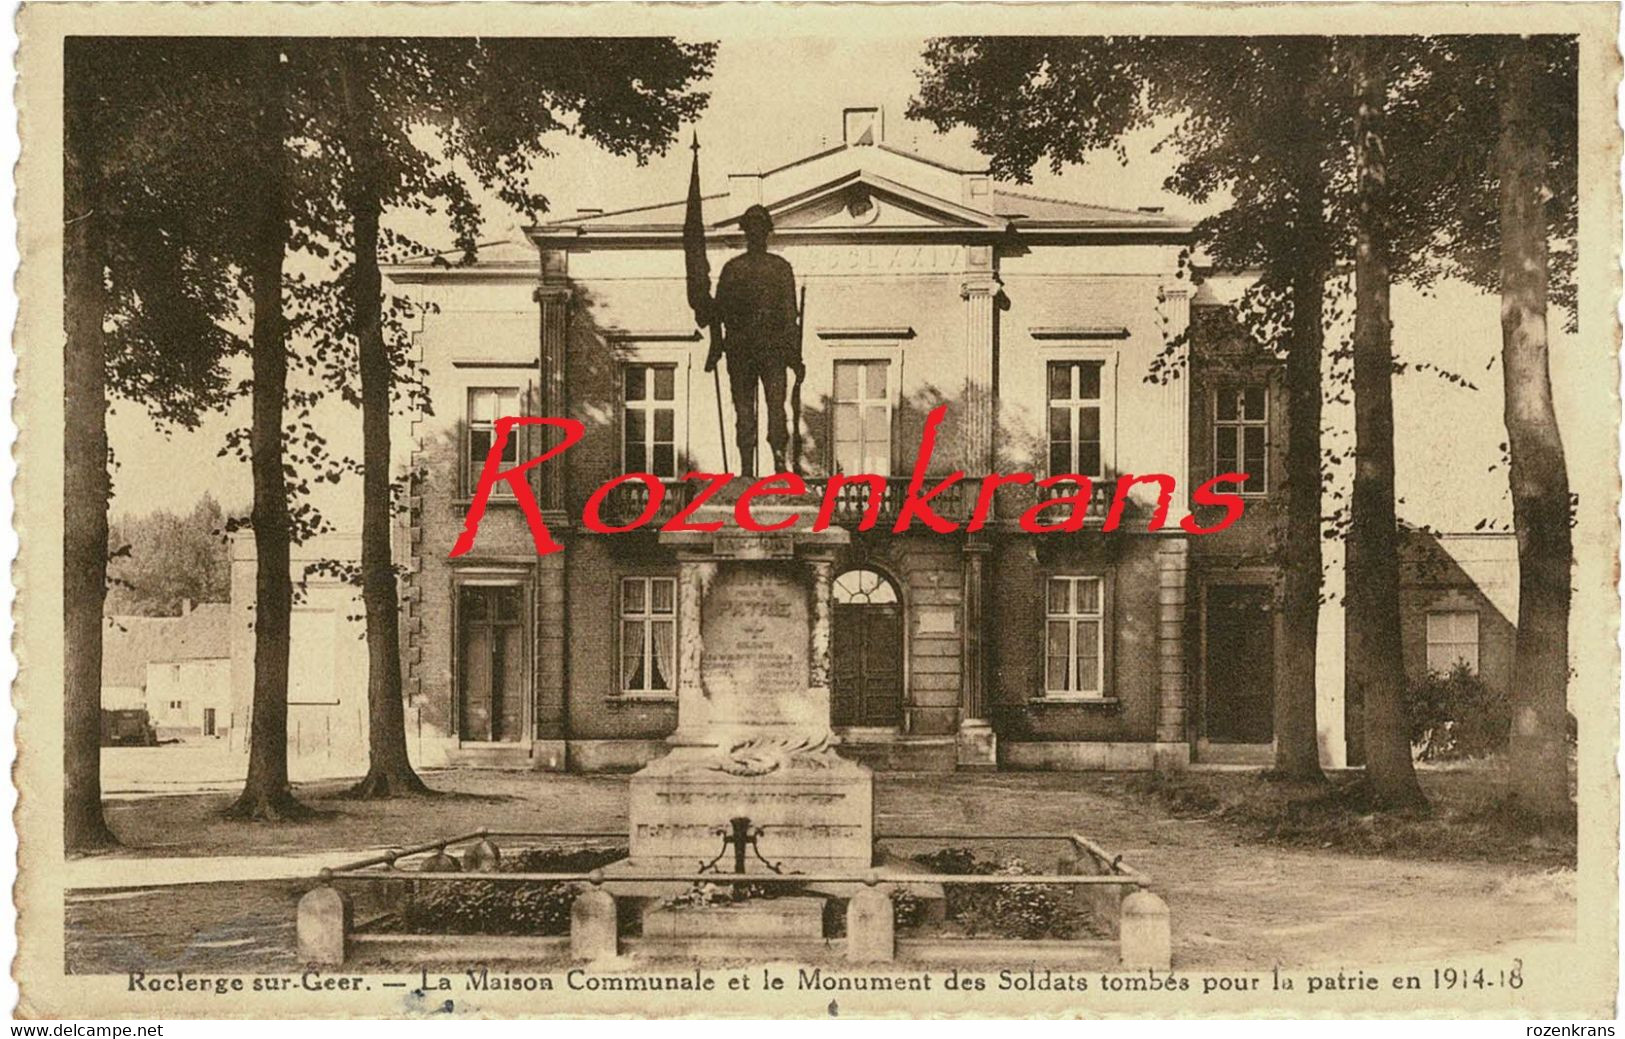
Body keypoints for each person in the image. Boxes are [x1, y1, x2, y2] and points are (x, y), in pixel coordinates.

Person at [707, 204, 802, 476]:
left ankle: (779, 465)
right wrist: (715, 346)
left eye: (761, 228)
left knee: (775, 410)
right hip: (744, 350)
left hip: (770, 350)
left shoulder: (780, 268)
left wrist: (795, 357)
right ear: (748, 232)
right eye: (753, 228)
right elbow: (718, 312)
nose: (757, 233)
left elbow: (789, 316)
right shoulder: (733, 269)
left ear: (766, 232)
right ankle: (747, 470)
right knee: (745, 412)